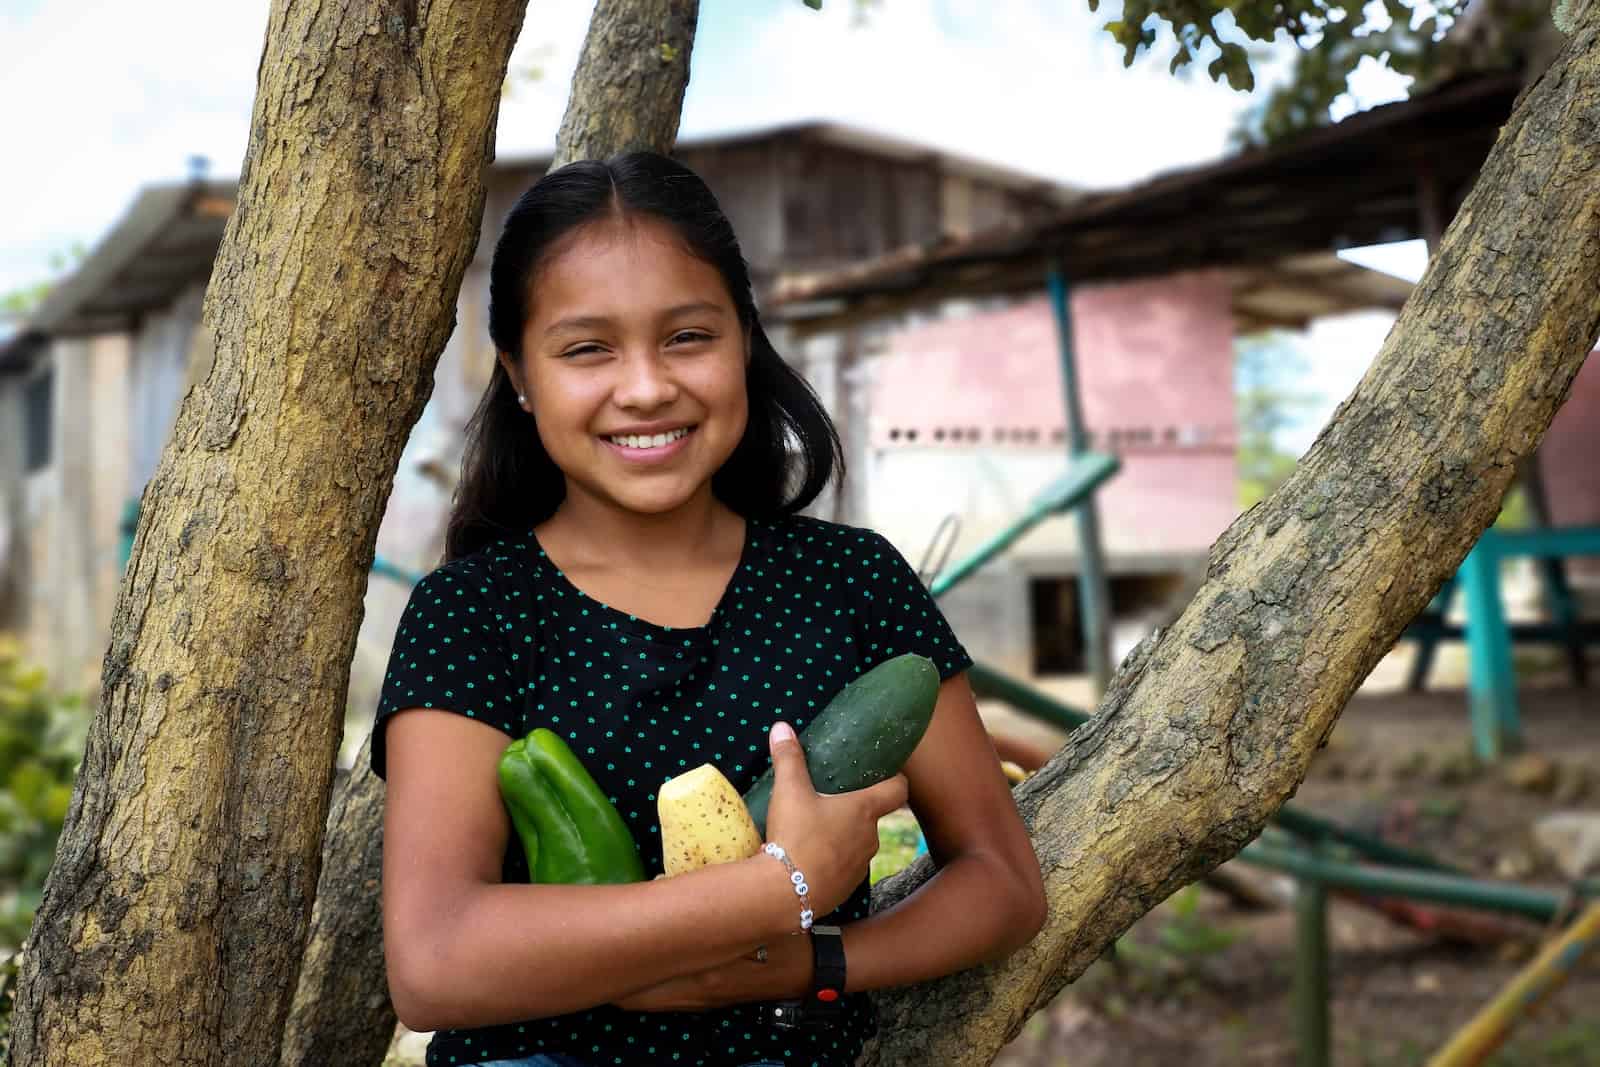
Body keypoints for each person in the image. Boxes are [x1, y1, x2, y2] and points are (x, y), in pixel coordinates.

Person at [372, 152, 1046, 1067]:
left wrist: (809, 961)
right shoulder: (474, 613)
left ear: (744, 343)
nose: (647, 386)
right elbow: (436, 960)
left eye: (688, 336)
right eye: (587, 348)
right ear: (521, 376)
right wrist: (775, 891)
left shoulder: (850, 583)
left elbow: (1002, 883)